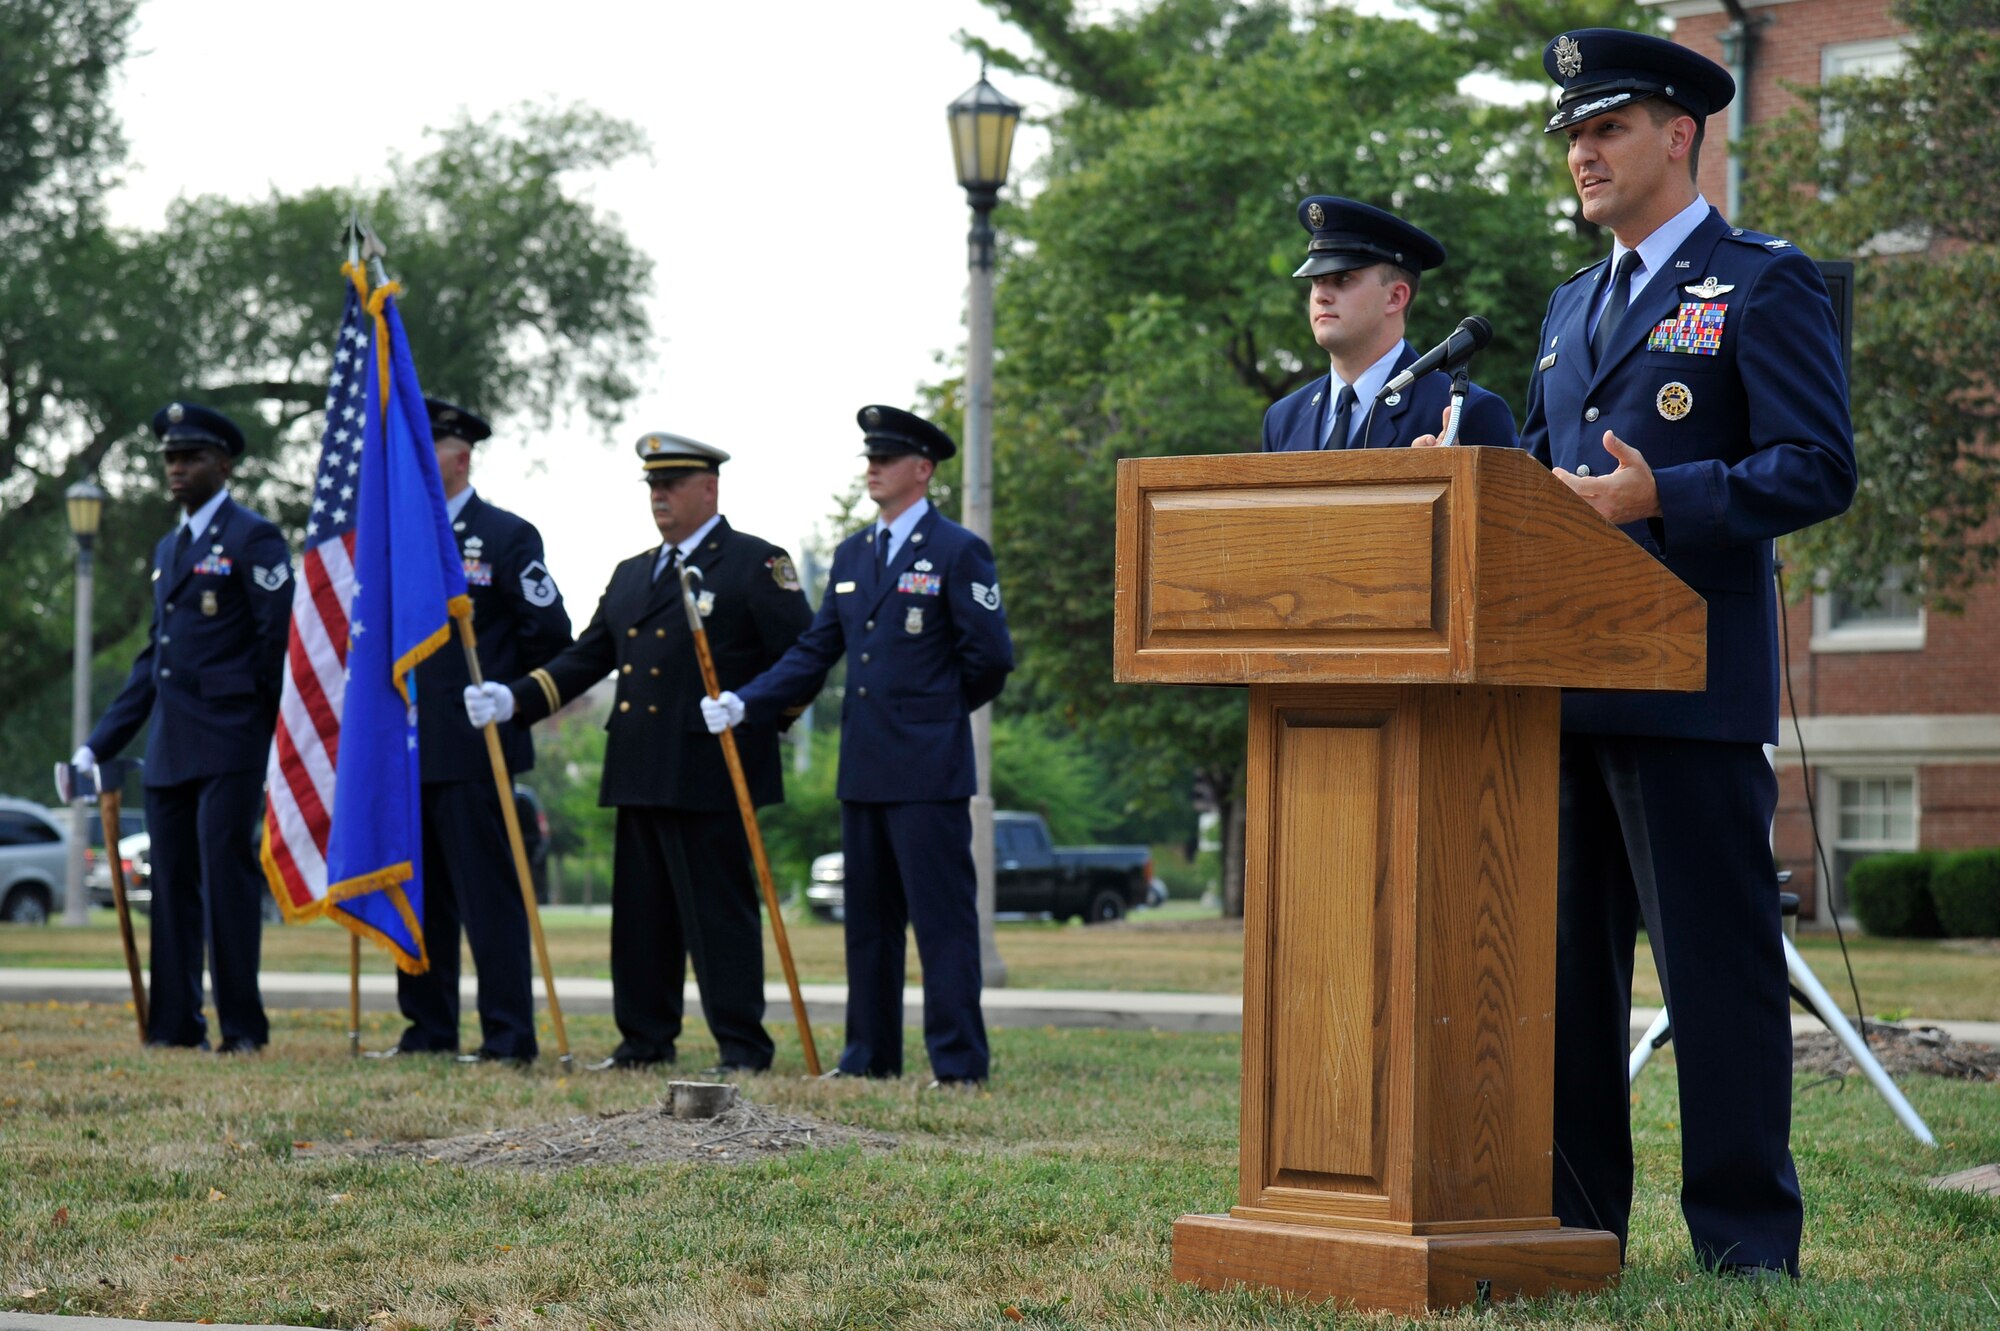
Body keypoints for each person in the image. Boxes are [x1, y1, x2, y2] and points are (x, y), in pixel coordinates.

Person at [1509, 29, 1857, 1279]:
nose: (1580, 153)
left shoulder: (1760, 281)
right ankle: (1569, 1223)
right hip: (1562, 689)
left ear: (1677, 134)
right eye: (1569, 135)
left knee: (1714, 983)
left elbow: (1817, 466)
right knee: (1565, 991)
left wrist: (1667, 496)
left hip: (1691, 691)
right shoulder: (1564, 308)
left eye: (1604, 128)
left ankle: (1744, 1245)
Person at [465, 431, 812, 1073]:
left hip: (714, 770)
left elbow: (803, 656)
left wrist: (754, 709)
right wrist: (516, 699)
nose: (660, 497)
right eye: (653, 486)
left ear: (709, 487)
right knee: (641, 919)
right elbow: (588, 656)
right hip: (639, 766)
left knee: (718, 917)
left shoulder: (754, 563)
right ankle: (644, 1041)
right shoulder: (631, 574)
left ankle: (741, 1045)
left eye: (672, 484)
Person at [702, 406, 1015, 1088]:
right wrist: (746, 700)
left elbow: (990, 658)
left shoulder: (958, 550)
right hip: (865, 767)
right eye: (869, 456)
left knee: (941, 925)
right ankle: (867, 1056)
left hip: (928, 770)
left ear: (922, 469)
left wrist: (933, 713)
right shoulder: (852, 554)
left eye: (887, 456)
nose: (871, 466)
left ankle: (959, 1064)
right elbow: (815, 651)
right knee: (867, 926)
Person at [69, 403, 294, 1052]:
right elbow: (153, 660)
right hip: (169, 746)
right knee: (169, 888)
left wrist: (268, 732)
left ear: (223, 465)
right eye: (170, 458)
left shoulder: (255, 538)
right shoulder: (169, 548)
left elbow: (276, 642)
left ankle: (243, 1028)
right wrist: (97, 744)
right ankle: (175, 1025)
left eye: (190, 457)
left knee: (226, 883)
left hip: (230, 740)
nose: (176, 468)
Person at [369, 400, 572, 1066]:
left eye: (430, 449)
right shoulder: (396, 540)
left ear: (460, 455)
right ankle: (428, 1028)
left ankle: (508, 1036)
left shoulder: (507, 536)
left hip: (477, 750)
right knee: (418, 899)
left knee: (490, 901)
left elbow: (553, 639)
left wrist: (512, 699)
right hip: (407, 750)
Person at [1263, 196, 1514, 452]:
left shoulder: (1464, 411)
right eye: (1316, 280)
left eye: (1342, 279)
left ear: (1395, 297)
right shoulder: (1283, 419)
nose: (1320, 295)